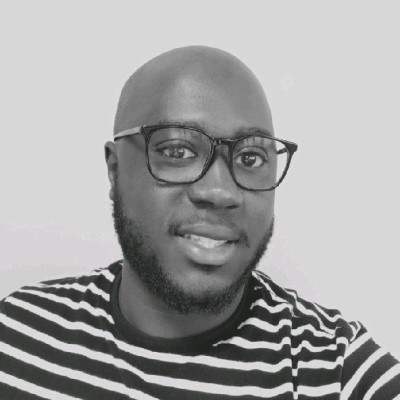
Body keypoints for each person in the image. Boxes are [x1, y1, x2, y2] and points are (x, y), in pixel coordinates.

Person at [0, 46, 399, 400]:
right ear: (115, 170)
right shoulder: (16, 336)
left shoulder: (337, 371)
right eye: (177, 151)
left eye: (250, 158)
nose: (220, 191)